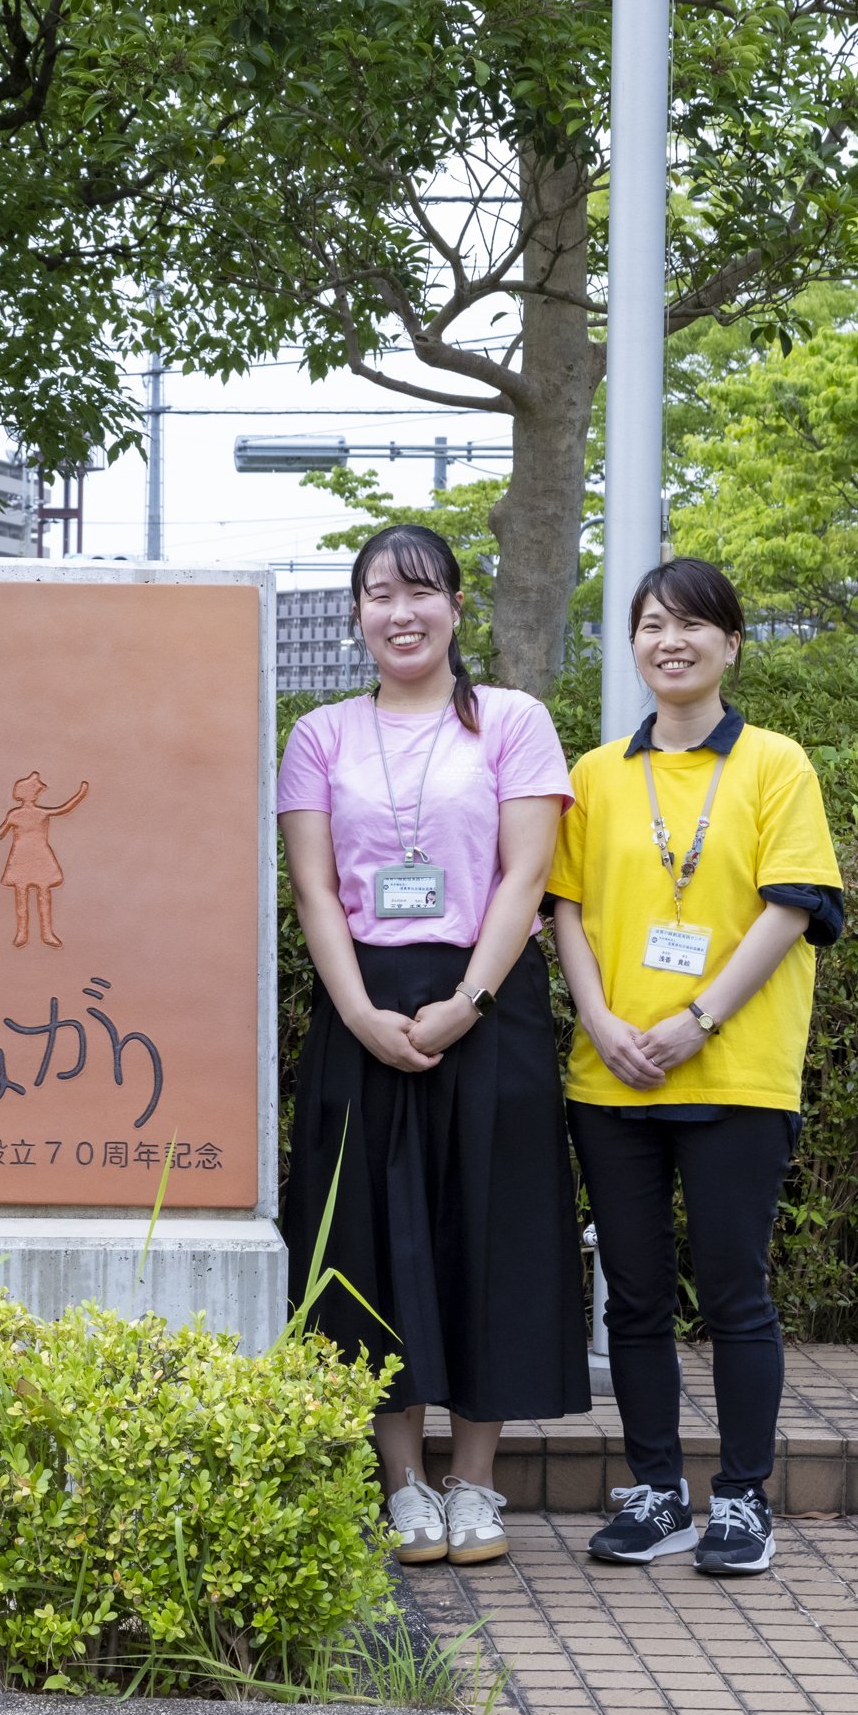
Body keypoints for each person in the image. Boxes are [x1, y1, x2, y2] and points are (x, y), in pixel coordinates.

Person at [278, 525, 583, 1570]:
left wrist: (468, 999)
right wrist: (360, 1013)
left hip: (484, 1000)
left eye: (419, 592)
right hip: (363, 999)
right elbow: (315, 889)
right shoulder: (319, 733)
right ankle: (402, 1482)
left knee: (487, 1229)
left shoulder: (513, 720)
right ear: (356, 614)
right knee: (369, 1235)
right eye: (377, 595)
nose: (399, 613)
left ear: (456, 606)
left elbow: (524, 877)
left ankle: (476, 1483)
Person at [548, 558, 845, 1577]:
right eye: (650, 625)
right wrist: (599, 1017)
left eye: (692, 624)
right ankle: (656, 1490)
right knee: (632, 1296)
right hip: (613, 1075)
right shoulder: (594, 775)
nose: (669, 641)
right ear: (632, 644)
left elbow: (794, 904)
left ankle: (742, 1500)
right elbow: (566, 911)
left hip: (734, 1073)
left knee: (732, 1291)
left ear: (732, 642)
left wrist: (697, 1021)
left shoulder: (775, 764)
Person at [0, 772, 88, 948]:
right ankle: (22, 933)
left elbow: (63, 809)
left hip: (40, 855)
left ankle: (46, 933)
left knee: (42, 893)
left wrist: (81, 794)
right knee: (22, 894)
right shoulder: (15, 815)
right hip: (21, 856)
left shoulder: (40, 813)